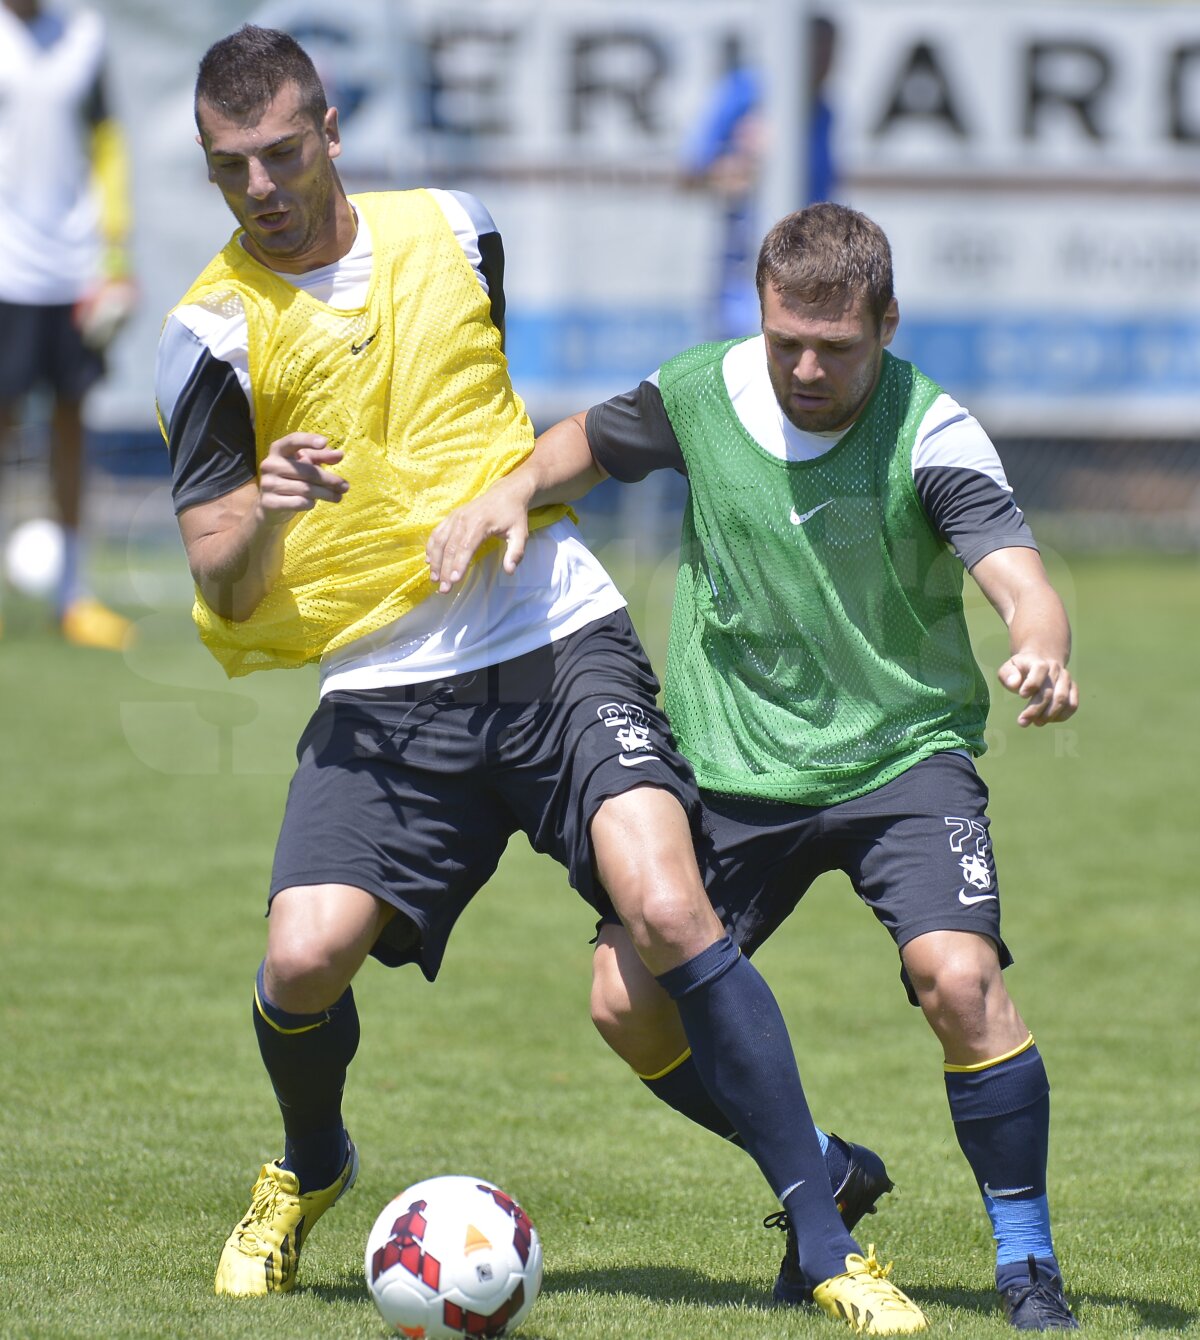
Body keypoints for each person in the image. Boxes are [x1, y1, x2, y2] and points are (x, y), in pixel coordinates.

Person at [156, 28, 927, 1331]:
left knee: (665, 914)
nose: (263, 184)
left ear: (330, 131)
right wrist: (272, 510)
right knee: (302, 958)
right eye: (232, 166)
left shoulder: (457, 229)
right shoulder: (209, 334)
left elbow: (469, 407)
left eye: (283, 152)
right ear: (210, 167)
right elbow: (220, 585)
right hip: (384, 685)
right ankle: (310, 1164)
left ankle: (825, 1233)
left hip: (556, 634)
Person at [427, 202, 1082, 1331]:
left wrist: (1042, 644)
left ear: (886, 321)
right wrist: (510, 488)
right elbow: (586, 437)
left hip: (900, 758)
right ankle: (821, 1164)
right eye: (787, 340)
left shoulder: (933, 430)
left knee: (960, 980)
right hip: (732, 764)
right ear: (762, 318)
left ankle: (1026, 1263)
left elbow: (1017, 572)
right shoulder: (705, 389)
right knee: (625, 1005)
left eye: (837, 344)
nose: (808, 366)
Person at [0, 0, 138, 649]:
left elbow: (107, 139)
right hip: (4, 267)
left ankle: (73, 594)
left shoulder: (84, 32)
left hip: (74, 266)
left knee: (70, 425)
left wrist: (113, 249)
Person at [682, 15, 837, 339]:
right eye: (818, 52)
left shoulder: (825, 111)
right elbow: (691, 173)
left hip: (806, 278)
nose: (826, 65)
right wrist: (740, 169)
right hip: (743, 276)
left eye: (832, 54)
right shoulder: (746, 92)